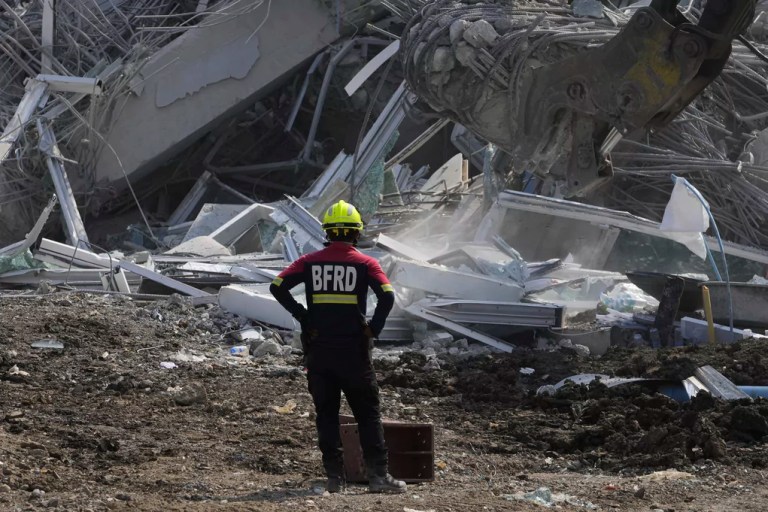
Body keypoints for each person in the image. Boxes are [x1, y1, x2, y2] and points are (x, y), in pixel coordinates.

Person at [269, 200, 406, 494]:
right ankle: (379, 478)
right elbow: (387, 296)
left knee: (327, 414)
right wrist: (373, 329)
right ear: (356, 234)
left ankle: (335, 479)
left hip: (319, 353)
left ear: (328, 233)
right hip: (354, 354)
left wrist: (304, 316)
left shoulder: (308, 262)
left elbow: (277, 286)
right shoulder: (366, 263)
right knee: (368, 414)